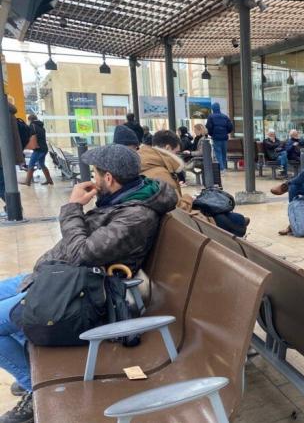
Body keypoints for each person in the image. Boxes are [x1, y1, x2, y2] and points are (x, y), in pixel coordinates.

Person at [0, 144, 177, 423]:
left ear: (109, 179)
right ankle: (31, 371)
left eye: (96, 174)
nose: (92, 180)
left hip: (76, 292)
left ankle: (34, 387)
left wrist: (72, 207)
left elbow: (81, 254)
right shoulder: (124, 199)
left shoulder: (135, 215)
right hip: (56, 278)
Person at [137, 130, 185, 197]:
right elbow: (178, 206)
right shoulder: (161, 174)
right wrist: (188, 198)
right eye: (176, 152)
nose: (177, 156)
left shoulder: (142, 161)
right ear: (167, 148)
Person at [22, 114, 53, 186]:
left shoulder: (32, 126)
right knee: (42, 164)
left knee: (31, 164)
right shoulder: (41, 126)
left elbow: (30, 136)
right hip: (44, 148)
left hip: (38, 149)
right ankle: (49, 180)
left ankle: (27, 182)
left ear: (30, 120)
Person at [205, 102, 233, 170]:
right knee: (224, 153)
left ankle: (221, 168)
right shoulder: (225, 116)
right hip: (224, 137)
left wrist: (211, 134)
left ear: (213, 109)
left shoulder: (210, 117)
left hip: (216, 138)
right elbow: (230, 127)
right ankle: (224, 167)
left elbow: (209, 126)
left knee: (218, 153)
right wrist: (226, 132)